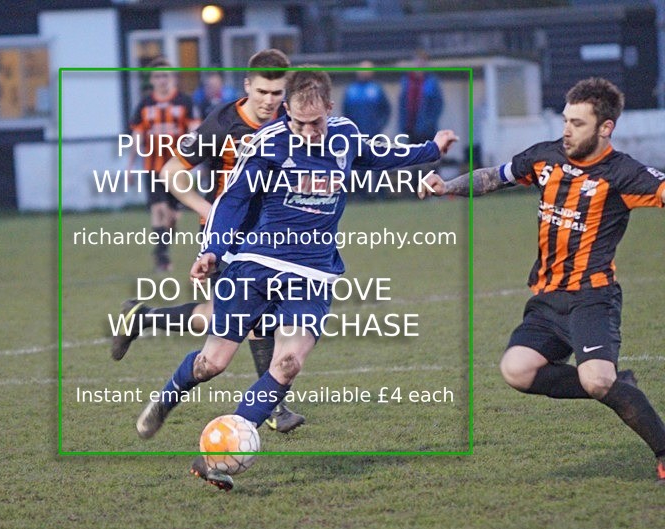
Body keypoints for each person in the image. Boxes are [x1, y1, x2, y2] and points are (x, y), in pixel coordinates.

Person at [135, 67, 458, 490]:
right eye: (298, 122)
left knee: (287, 364)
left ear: (329, 107)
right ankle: (166, 399)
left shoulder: (344, 136)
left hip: (312, 272)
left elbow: (381, 154)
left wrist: (431, 148)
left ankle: (219, 452)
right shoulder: (269, 144)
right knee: (212, 362)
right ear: (287, 112)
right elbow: (233, 202)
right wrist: (212, 250)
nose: (308, 131)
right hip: (255, 264)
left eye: (316, 121)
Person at [419, 77, 665, 484]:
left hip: (592, 297)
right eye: (566, 120)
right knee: (516, 370)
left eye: (579, 123)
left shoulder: (623, 173)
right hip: (548, 299)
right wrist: (448, 186)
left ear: (606, 128)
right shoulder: (546, 157)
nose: (567, 130)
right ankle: (618, 385)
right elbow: (494, 177)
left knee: (595, 378)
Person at [112, 49, 307, 434]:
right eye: (263, 91)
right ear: (248, 85)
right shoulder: (222, 123)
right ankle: (275, 408)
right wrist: (208, 208)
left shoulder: (292, 119)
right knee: (248, 321)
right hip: (229, 237)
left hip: (272, 237)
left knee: (234, 315)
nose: (270, 101)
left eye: (278, 93)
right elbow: (171, 172)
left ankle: (143, 317)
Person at [128, 57, 200, 272]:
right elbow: (137, 136)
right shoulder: (144, 104)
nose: (162, 80)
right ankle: (161, 256)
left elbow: (195, 133)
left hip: (178, 168)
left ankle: (163, 248)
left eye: (165, 75)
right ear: (152, 79)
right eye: (158, 76)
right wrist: (130, 166)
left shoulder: (185, 102)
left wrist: (197, 161)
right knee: (158, 209)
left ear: (172, 78)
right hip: (152, 168)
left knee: (171, 217)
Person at [398, 50, 443, 144]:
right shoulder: (407, 81)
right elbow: (402, 104)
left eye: (422, 61)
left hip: (427, 130)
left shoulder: (432, 82)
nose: (420, 63)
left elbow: (437, 105)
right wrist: (402, 124)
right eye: (417, 61)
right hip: (410, 127)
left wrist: (429, 123)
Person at [343, 61, 390, 138]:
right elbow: (346, 111)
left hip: (374, 134)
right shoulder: (351, 90)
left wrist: (378, 126)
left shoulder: (376, 89)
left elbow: (386, 110)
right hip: (356, 134)